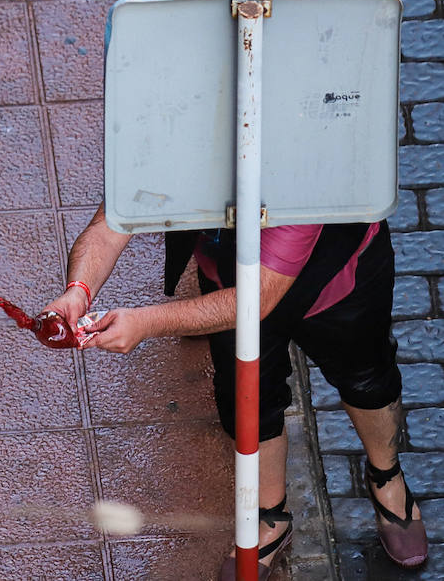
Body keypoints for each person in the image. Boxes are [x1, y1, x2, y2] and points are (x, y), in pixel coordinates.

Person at [46, 207, 427, 578]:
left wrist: (147, 323)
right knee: (247, 400)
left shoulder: (295, 160)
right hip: (229, 288)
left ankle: (386, 476)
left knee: (368, 383)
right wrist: (79, 290)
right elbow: (114, 217)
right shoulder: (175, 141)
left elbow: (259, 295)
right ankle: (270, 516)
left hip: (339, 282)